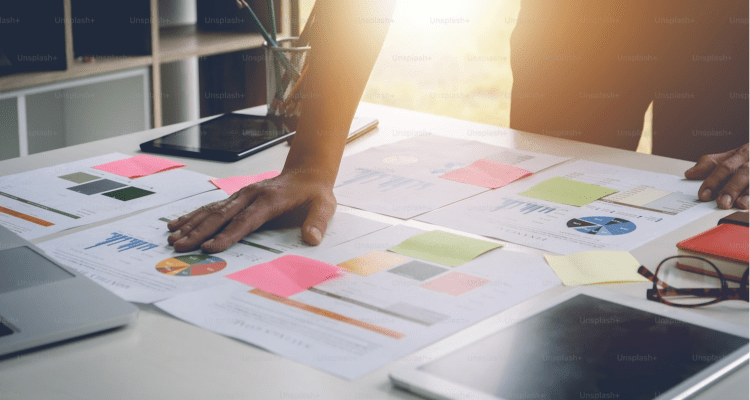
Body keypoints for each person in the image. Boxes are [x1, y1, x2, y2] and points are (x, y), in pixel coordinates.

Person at [168, 0, 749, 254]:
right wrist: (311, 166)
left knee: (715, 223)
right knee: (553, 227)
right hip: (583, 21)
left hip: (733, 24)